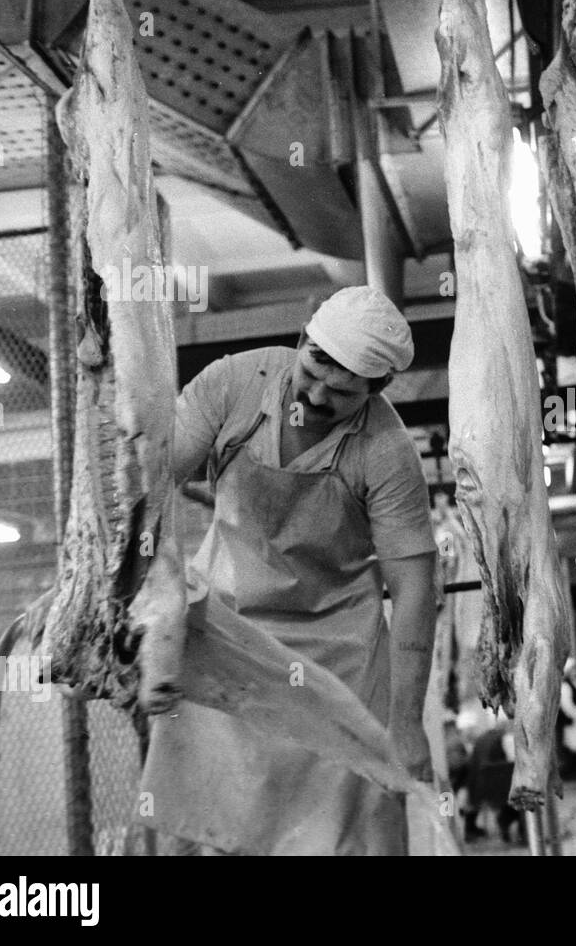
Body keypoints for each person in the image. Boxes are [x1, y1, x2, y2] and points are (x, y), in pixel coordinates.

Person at [138, 286, 438, 856]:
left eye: (343, 391)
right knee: (209, 813)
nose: (318, 393)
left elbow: (414, 585)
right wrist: (148, 616)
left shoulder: (385, 450)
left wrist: (407, 721)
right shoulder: (236, 383)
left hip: (338, 651)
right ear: (303, 339)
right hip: (231, 633)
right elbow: (151, 485)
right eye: (314, 368)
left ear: (377, 390)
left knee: (359, 819)